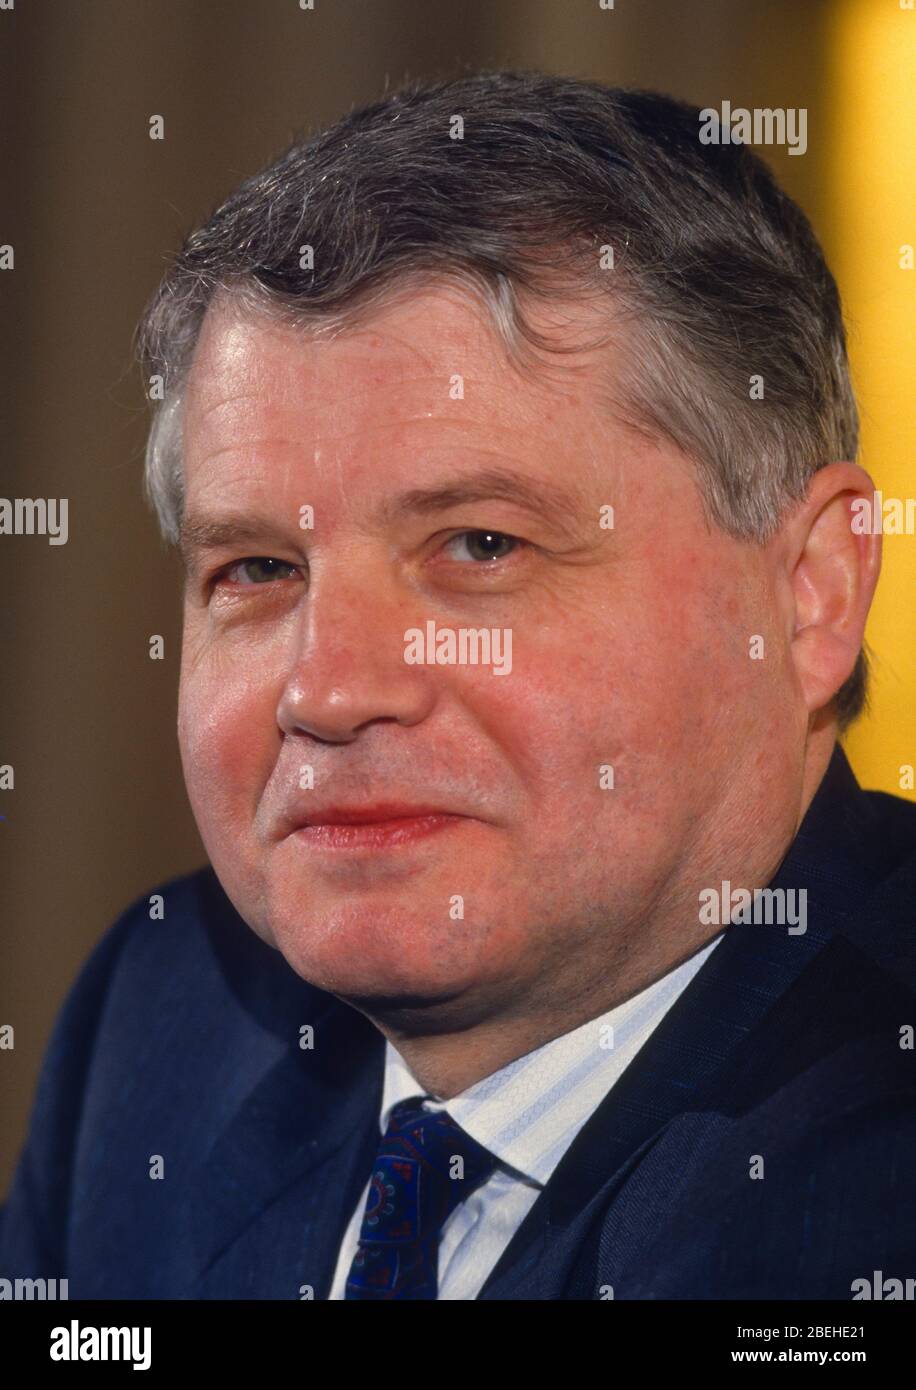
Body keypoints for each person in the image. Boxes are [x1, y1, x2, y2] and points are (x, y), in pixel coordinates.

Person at [2, 71, 915, 1300]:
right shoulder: (161, 1023)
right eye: (259, 567)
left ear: (807, 593)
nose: (328, 688)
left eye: (480, 547)